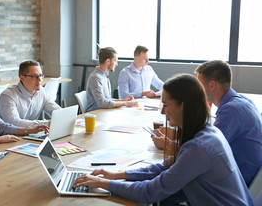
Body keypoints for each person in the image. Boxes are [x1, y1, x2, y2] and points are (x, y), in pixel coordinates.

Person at [73, 74, 252, 205]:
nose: (162, 112)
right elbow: (167, 167)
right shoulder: (206, 131)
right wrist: (119, 174)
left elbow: (150, 192)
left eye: (166, 105)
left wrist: (104, 183)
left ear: (185, 106)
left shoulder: (199, 147)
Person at [195, 60, 262, 186]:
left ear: (212, 85)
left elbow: (205, 150)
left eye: (199, 85)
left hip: (240, 181)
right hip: (249, 175)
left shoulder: (231, 110)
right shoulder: (241, 101)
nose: (197, 90)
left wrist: (172, 142)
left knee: (174, 185)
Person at [0, 60, 61, 132]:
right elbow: (14, 123)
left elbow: (57, 112)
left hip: (31, 135)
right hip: (9, 137)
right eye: (34, 76)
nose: (40, 79)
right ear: (22, 78)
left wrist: (65, 117)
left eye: (41, 75)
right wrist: (46, 124)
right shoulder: (8, 95)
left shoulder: (42, 92)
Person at [85, 47, 138, 112]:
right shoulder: (96, 78)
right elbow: (102, 103)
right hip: (95, 116)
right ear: (108, 61)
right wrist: (126, 103)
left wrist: (124, 100)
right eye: (115, 61)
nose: (117, 64)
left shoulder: (104, 76)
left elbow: (107, 100)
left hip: (103, 113)